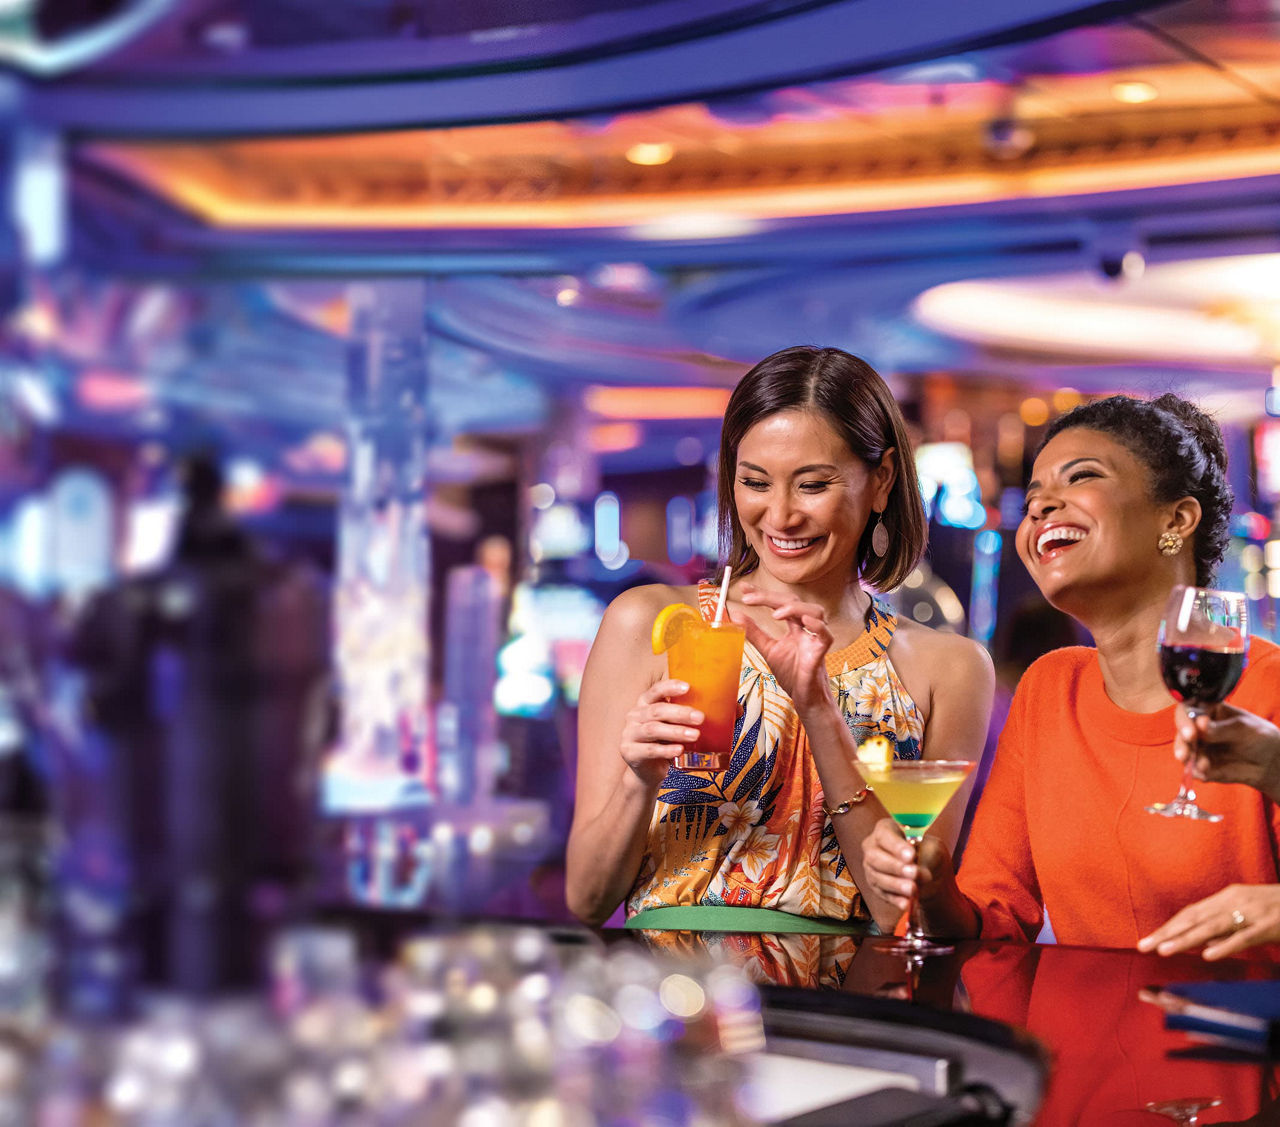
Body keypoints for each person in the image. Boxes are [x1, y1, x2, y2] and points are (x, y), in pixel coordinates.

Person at [566, 345, 993, 929]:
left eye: (813, 485)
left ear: (882, 480)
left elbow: (908, 915)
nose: (780, 515)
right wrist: (637, 779)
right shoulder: (652, 623)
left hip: (851, 1005)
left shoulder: (951, 667)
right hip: (676, 999)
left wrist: (817, 708)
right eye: (755, 482)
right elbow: (586, 900)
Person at [862, 392, 1280, 959]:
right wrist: (930, 889)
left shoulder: (1268, 685)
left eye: (1080, 477)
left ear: (1175, 519)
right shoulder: (1049, 689)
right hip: (1074, 1046)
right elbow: (991, 921)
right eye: (1032, 497)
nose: (1039, 509)